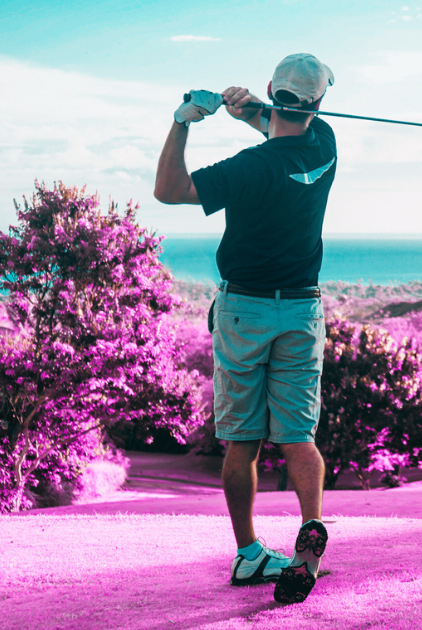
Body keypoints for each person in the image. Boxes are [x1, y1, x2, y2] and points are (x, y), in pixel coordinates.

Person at [154, 53, 336, 605]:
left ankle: (250, 555)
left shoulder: (247, 169)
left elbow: (170, 189)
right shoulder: (325, 144)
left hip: (245, 312)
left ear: (270, 91)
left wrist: (183, 120)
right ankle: (309, 537)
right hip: (302, 310)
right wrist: (247, 111)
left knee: (243, 440)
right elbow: (281, 124)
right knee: (297, 437)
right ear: (320, 103)